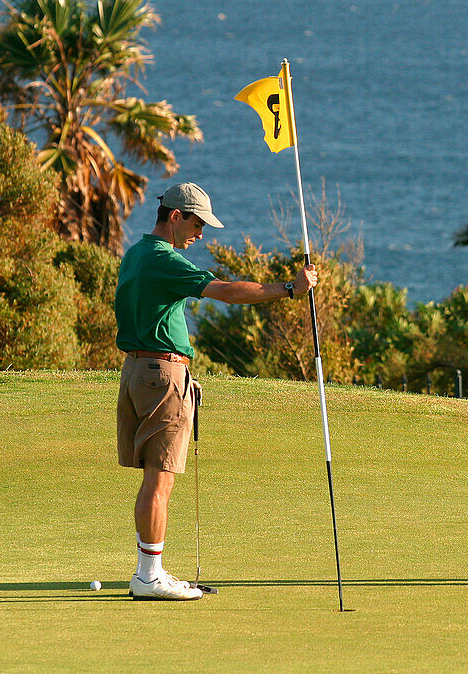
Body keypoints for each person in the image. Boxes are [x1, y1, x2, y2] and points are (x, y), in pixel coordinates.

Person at [115, 181, 317, 600]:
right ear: (174, 216)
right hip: (161, 374)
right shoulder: (163, 260)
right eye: (196, 222)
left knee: (156, 479)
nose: (201, 233)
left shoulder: (135, 254)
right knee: (160, 479)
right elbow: (224, 291)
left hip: (137, 370)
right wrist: (291, 289)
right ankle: (149, 577)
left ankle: (147, 571)